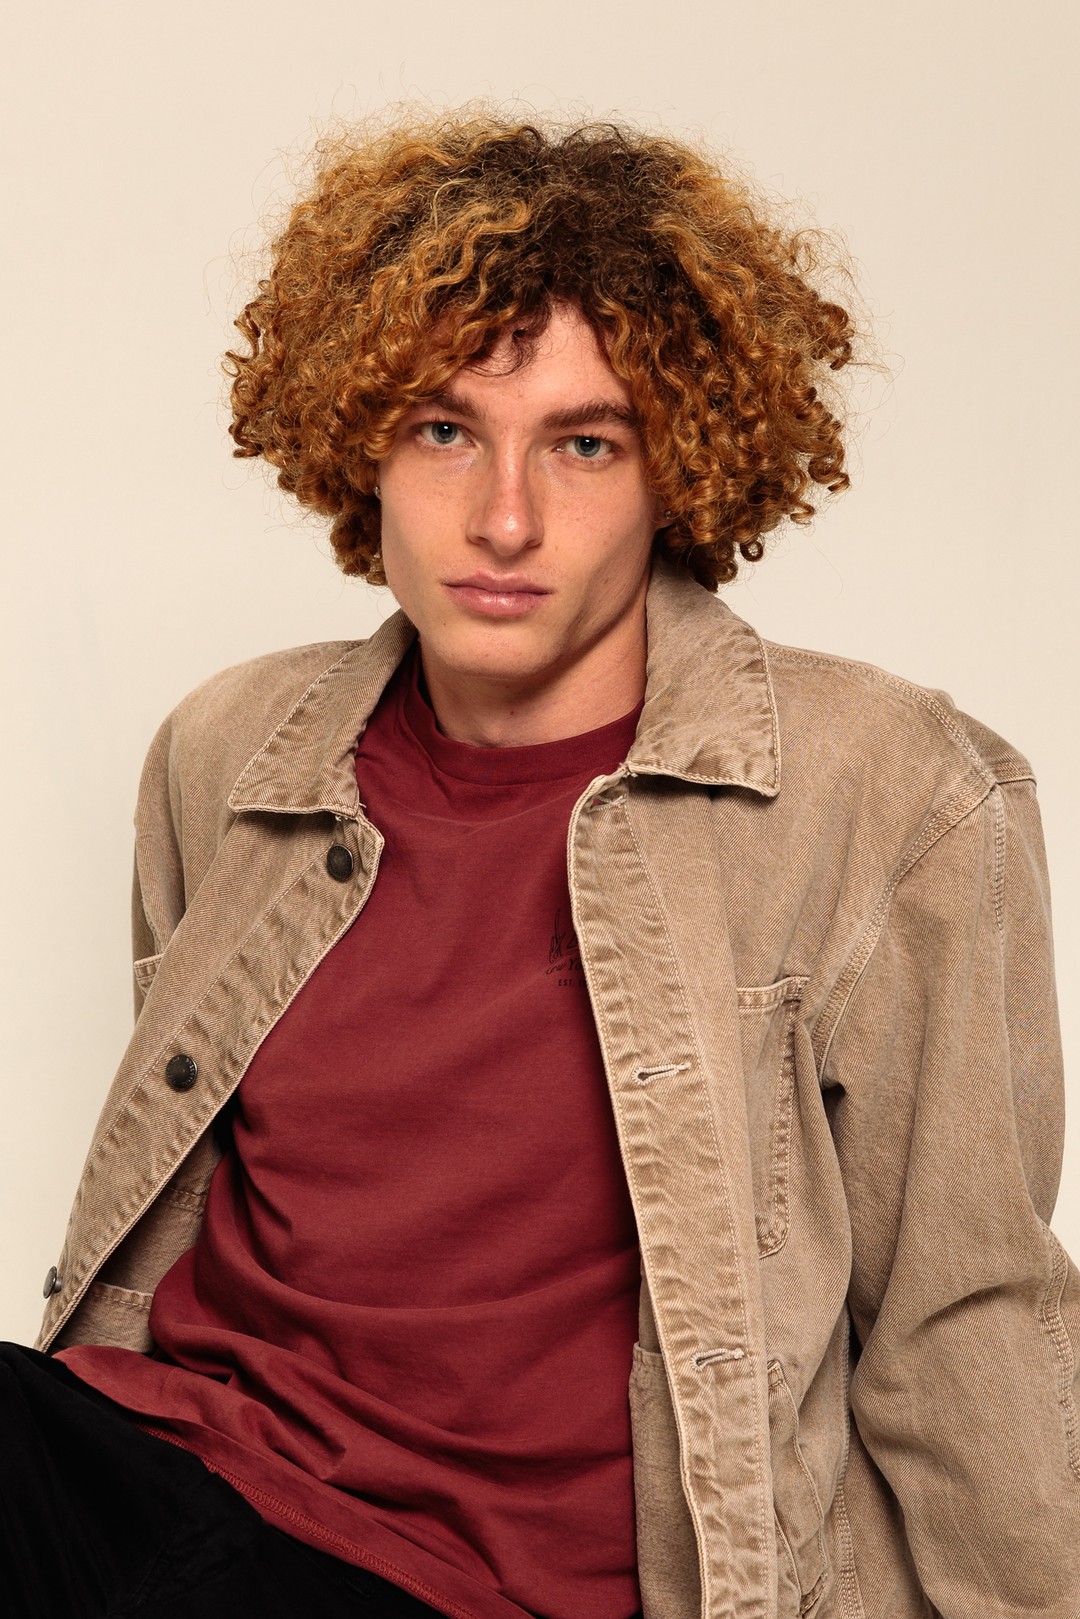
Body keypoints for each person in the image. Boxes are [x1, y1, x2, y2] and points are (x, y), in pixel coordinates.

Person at [7, 112, 1077, 1619]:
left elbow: (963, 1315)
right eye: (444, 430)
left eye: (585, 445)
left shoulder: (887, 794)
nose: (503, 519)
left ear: (677, 470)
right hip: (165, 1478)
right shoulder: (233, 753)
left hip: (483, 1592)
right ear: (360, 444)